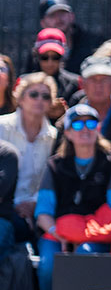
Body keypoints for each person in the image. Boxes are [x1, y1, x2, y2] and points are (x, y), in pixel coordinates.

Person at [31, 103, 111, 290]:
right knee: (48, 264)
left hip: (97, 233)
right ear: (67, 132)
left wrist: (82, 234)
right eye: (77, 124)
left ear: (99, 127)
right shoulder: (55, 164)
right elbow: (43, 212)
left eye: (91, 123)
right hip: (59, 232)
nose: (84, 129)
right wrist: (61, 234)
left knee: (85, 254)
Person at [0, 74, 57, 229]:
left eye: (45, 96)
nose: (39, 100)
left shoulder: (55, 137)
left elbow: (53, 180)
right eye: (33, 94)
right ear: (20, 98)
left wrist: (34, 203)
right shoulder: (1, 127)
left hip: (37, 211)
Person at [35, 0, 96, 74]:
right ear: (43, 23)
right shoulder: (37, 51)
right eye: (52, 15)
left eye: (62, 13)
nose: (58, 19)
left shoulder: (91, 46)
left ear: (72, 16)